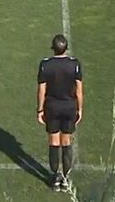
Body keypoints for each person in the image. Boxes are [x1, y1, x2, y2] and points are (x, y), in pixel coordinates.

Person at [37, 34, 83, 191]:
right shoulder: (74, 64)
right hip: (69, 107)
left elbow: (42, 89)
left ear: (53, 49)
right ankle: (65, 178)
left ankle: (55, 177)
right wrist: (80, 109)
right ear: (66, 49)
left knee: (53, 142)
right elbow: (79, 90)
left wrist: (40, 109)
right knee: (66, 142)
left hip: (52, 107)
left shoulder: (45, 65)